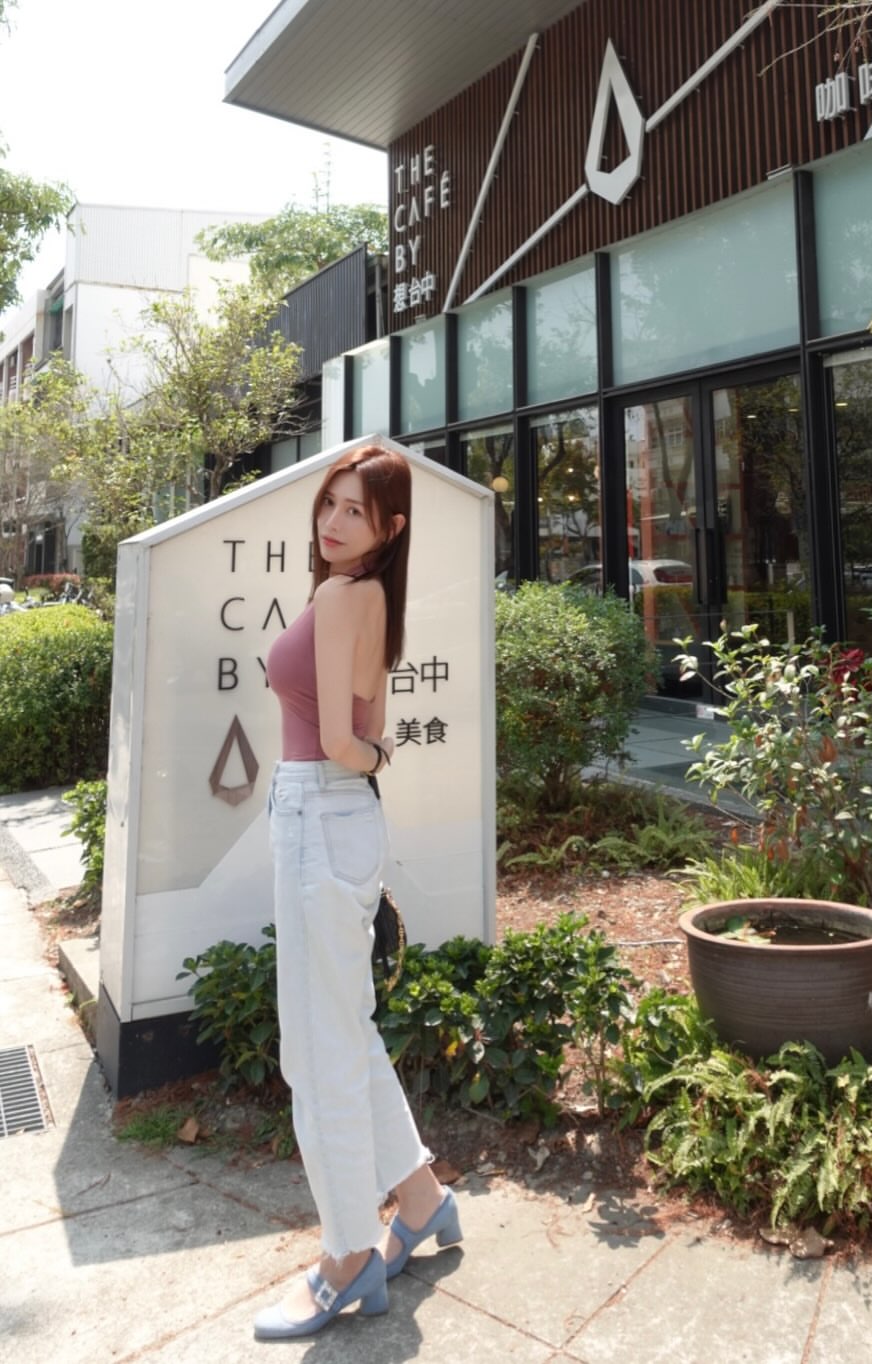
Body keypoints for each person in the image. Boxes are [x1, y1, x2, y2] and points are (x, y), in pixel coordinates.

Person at [255, 444, 461, 1341]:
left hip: (320, 809)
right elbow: (361, 732)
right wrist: (370, 755)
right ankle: (419, 1200)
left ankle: (346, 1259)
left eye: (354, 510)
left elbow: (346, 741)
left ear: (391, 528)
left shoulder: (344, 597)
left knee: (316, 1049)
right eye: (328, 502)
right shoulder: (367, 594)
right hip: (330, 816)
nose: (332, 522)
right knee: (342, 1028)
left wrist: (372, 756)